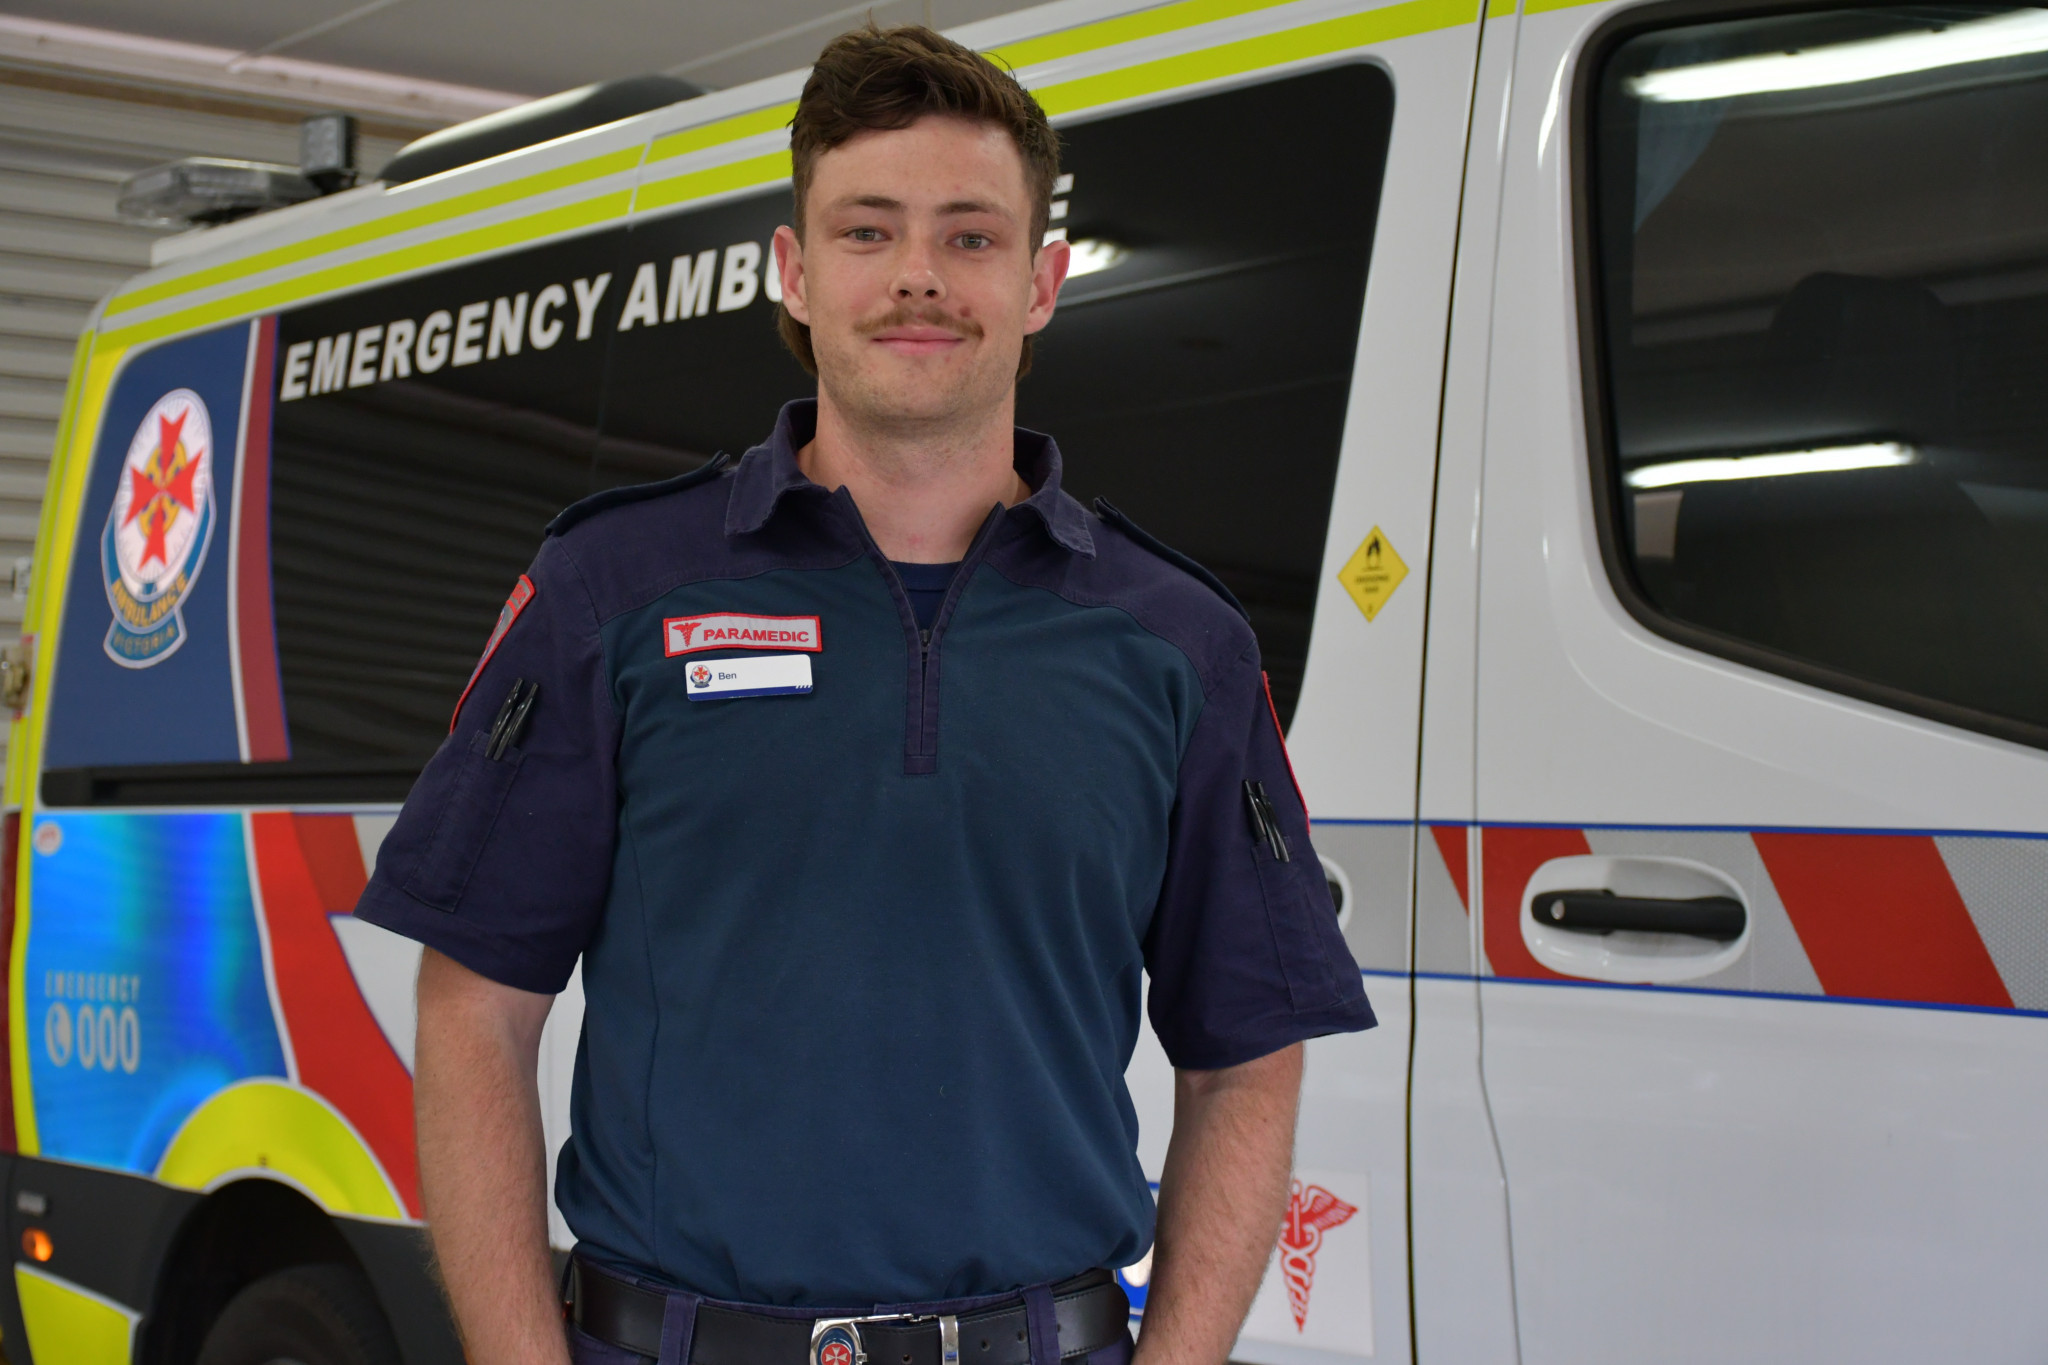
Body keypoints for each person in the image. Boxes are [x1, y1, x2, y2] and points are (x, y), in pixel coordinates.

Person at [353, 23, 1376, 1365]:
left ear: (1042, 281)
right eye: (866, 230)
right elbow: (475, 1008)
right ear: (794, 270)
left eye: (969, 236)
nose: (918, 278)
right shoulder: (616, 588)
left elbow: (1246, 1053)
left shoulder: (1176, 640)